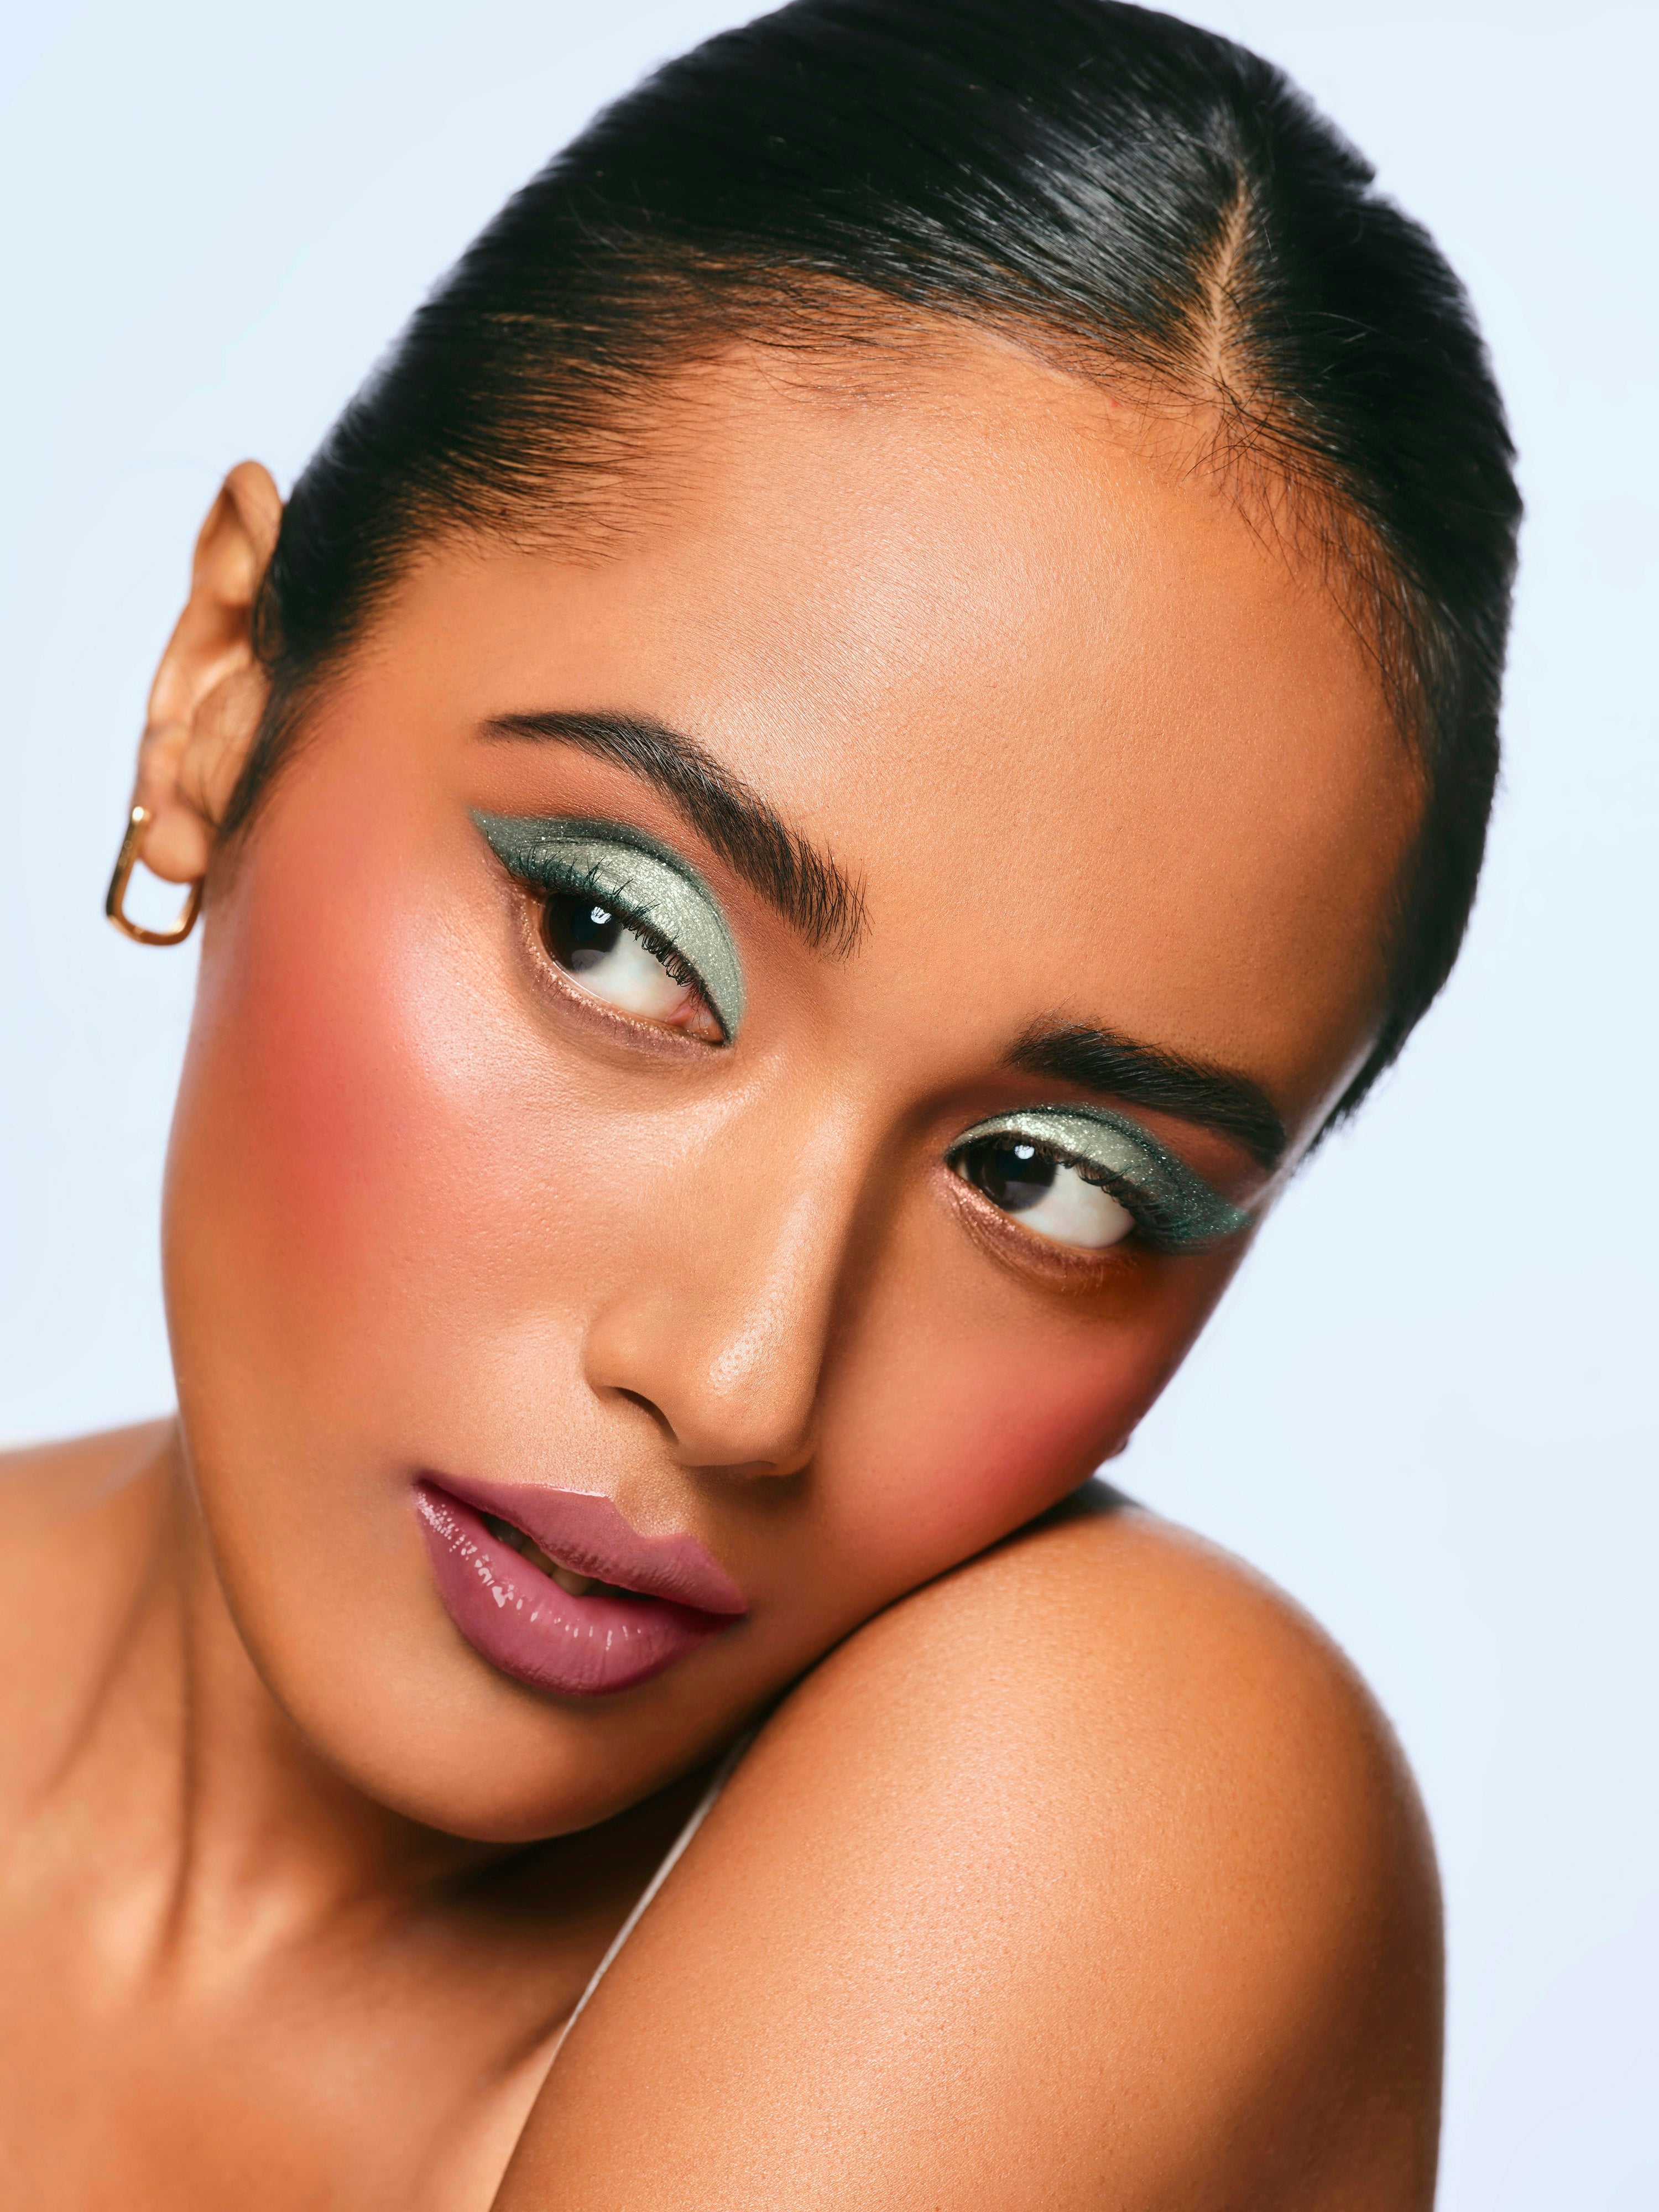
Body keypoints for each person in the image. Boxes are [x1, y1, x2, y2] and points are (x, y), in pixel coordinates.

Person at [0, 1, 1518, 2203]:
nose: (739, 1383)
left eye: (1049, 1179)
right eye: (618, 938)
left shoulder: (1106, 1796)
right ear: (214, 712)